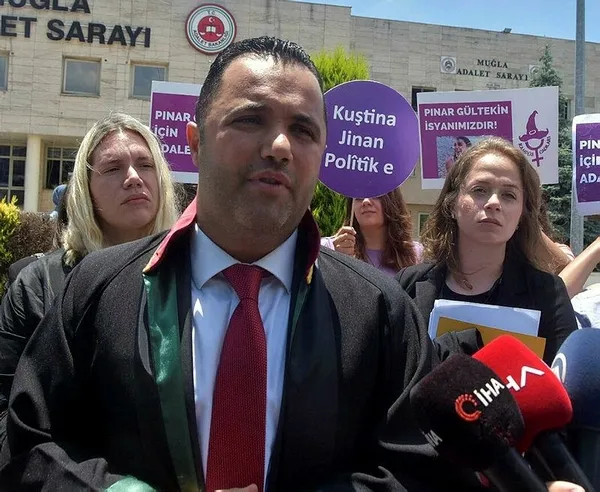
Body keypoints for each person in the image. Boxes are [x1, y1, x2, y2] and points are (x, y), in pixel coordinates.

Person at [0, 36, 462, 492]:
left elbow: (418, 468)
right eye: (250, 119)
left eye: (304, 131)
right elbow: (28, 446)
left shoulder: (379, 310)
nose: (279, 145)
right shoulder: (99, 291)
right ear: (195, 143)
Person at [0, 112, 179, 446]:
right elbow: (6, 417)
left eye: (146, 165)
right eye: (113, 168)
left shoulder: (192, 276)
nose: (133, 178)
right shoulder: (37, 285)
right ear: (86, 190)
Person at [397, 136, 577, 365]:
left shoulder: (548, 294)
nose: (494, 202)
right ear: (452, 204)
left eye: (509, 195)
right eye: (479, 190)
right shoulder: (408, 285)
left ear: (522, 214)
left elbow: (564, 381)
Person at [322, 188, 422, 275]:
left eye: (375, 194)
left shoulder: (416, 254)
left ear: (393, 201)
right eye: (359, 196)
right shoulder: (326, 249)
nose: (366, 201)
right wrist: (335, 261)